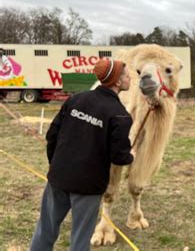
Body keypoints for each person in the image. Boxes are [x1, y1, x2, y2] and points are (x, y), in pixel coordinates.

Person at [30, 59, 135, 251]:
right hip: (88, 187)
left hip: (58, 177)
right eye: (127, 75)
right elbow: (119, 157)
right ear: (118, 82)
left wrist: (56, 166)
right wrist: (131, 155)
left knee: (45, 229)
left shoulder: (76, 99)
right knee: (80, 238)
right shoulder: (120, 115)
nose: (131, 79)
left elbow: (52, 135)